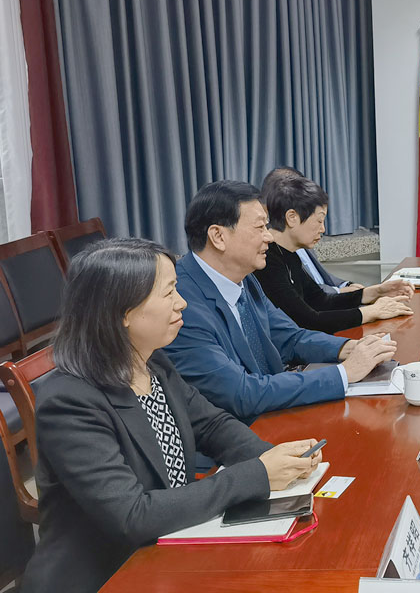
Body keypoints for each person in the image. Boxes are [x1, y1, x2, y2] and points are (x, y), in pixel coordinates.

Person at [22, 238, 323, 593]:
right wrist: (257, 475)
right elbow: (133, 515)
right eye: (168, 293)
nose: (182, 303)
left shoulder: (152, 362)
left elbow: (211, 425)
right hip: (109, 573)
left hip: (170, 545)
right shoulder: (69, 402)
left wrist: (274, 459)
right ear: (122, 313)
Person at [165, 180, 397, 422]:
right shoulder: (180, 303)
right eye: (259, 228)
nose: (268, 237)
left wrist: (348, 348)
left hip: (274, 410)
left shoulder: (243, 277)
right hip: (238, 431)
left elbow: (289, 337)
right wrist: (344, 374)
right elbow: (241, 393)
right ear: (218, 236)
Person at [256, 172, 413, 333]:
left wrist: (376, 292)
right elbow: (308, 321)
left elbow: (320, 300)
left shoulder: (289, 255)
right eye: (319, 220)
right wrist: (371, 312)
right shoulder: (267, 261)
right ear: (292, 217)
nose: (323, 229)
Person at [261, 166, 363, 295]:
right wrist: (341, 292)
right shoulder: (271, 249)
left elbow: (321, 278)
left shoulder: (303, 236)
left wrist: (348, 286)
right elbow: (309, 300)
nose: (322, 229)